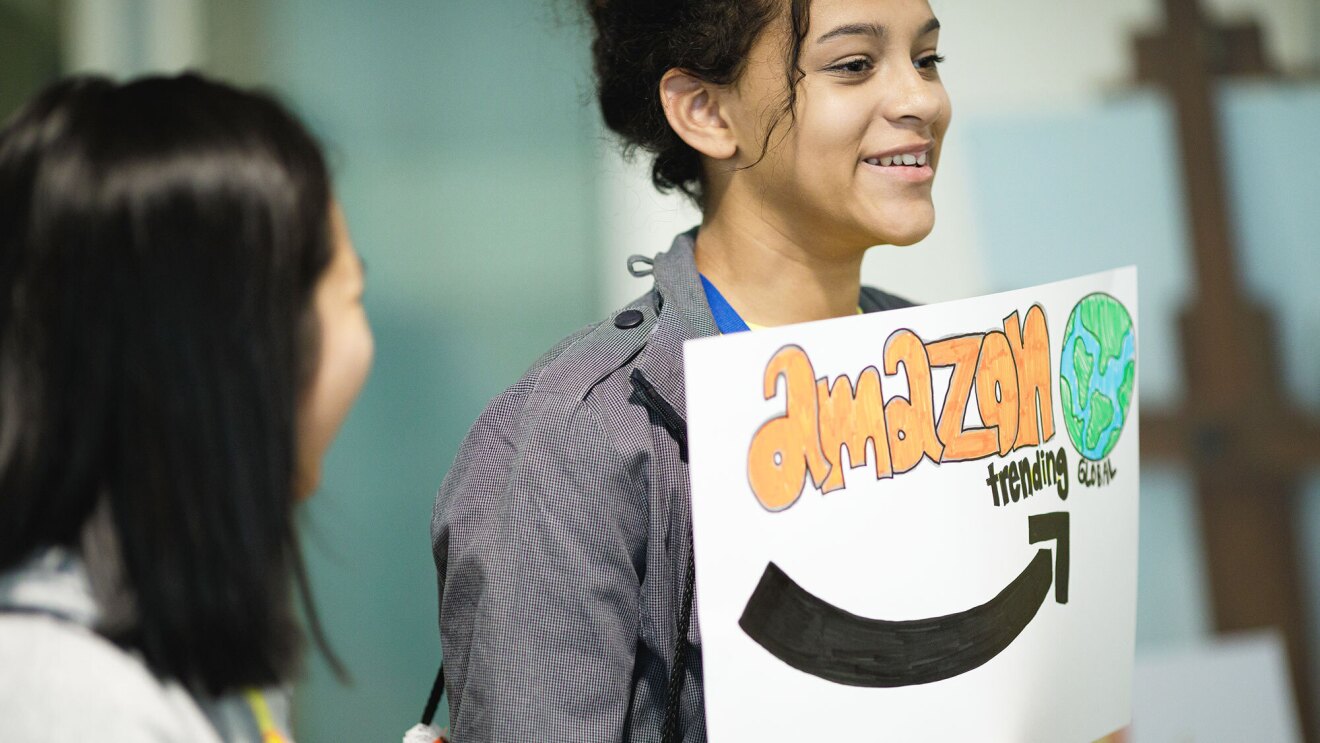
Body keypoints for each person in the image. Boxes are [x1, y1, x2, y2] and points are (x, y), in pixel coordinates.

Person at [431, 0, 944, 739]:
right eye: (855, 65)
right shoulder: (577, 437)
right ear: (706, 111)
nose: (921, 98)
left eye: (928, 59)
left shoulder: (956, 366)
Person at [0, 74, 373, 742]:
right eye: (350, 292)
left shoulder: (157, 655)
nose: (365, 341)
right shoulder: (75, 706)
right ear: (239, 351)